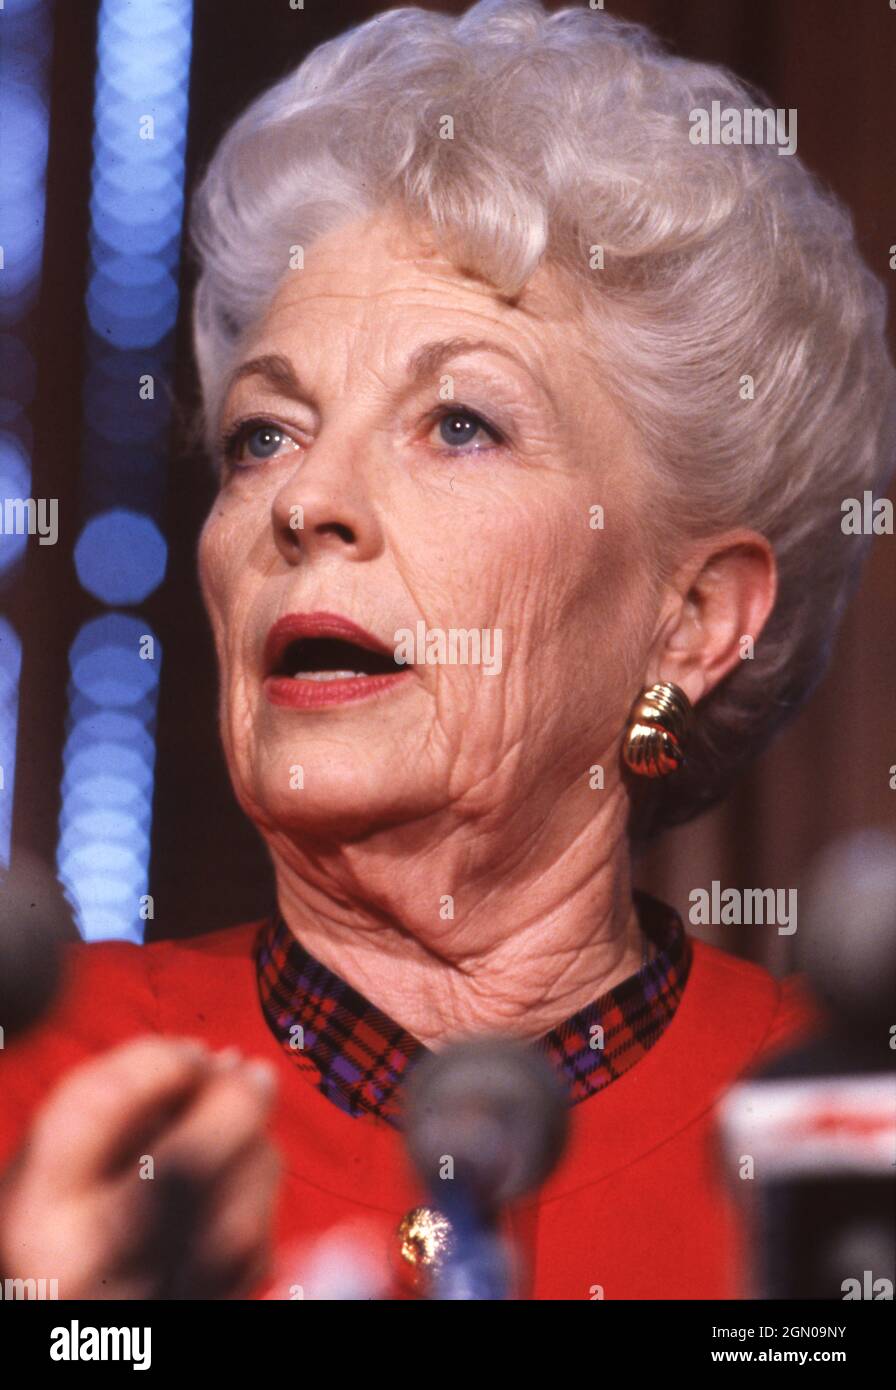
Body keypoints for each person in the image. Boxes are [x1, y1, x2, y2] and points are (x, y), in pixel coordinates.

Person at [1, 0, 893, 1300]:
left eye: (460, 423)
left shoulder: (847, 1131)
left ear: (696, 617)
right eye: (264, 435)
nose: (307, 501)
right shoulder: (36, 1083)